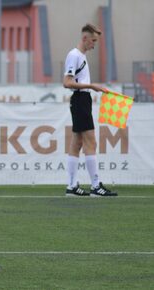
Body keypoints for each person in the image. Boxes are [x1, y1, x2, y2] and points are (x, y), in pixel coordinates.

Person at [63, 23, 117, 197]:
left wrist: (91, 89)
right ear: (85, 38)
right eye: (93, 40)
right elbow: (67, 82)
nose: (94, 44)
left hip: (82, 99)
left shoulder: (81, 56)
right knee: (90, 142)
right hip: (80, 99)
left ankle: (71, 186)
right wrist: (92, 86)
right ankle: (95, 186)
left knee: (77, 143)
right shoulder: (74, 55)